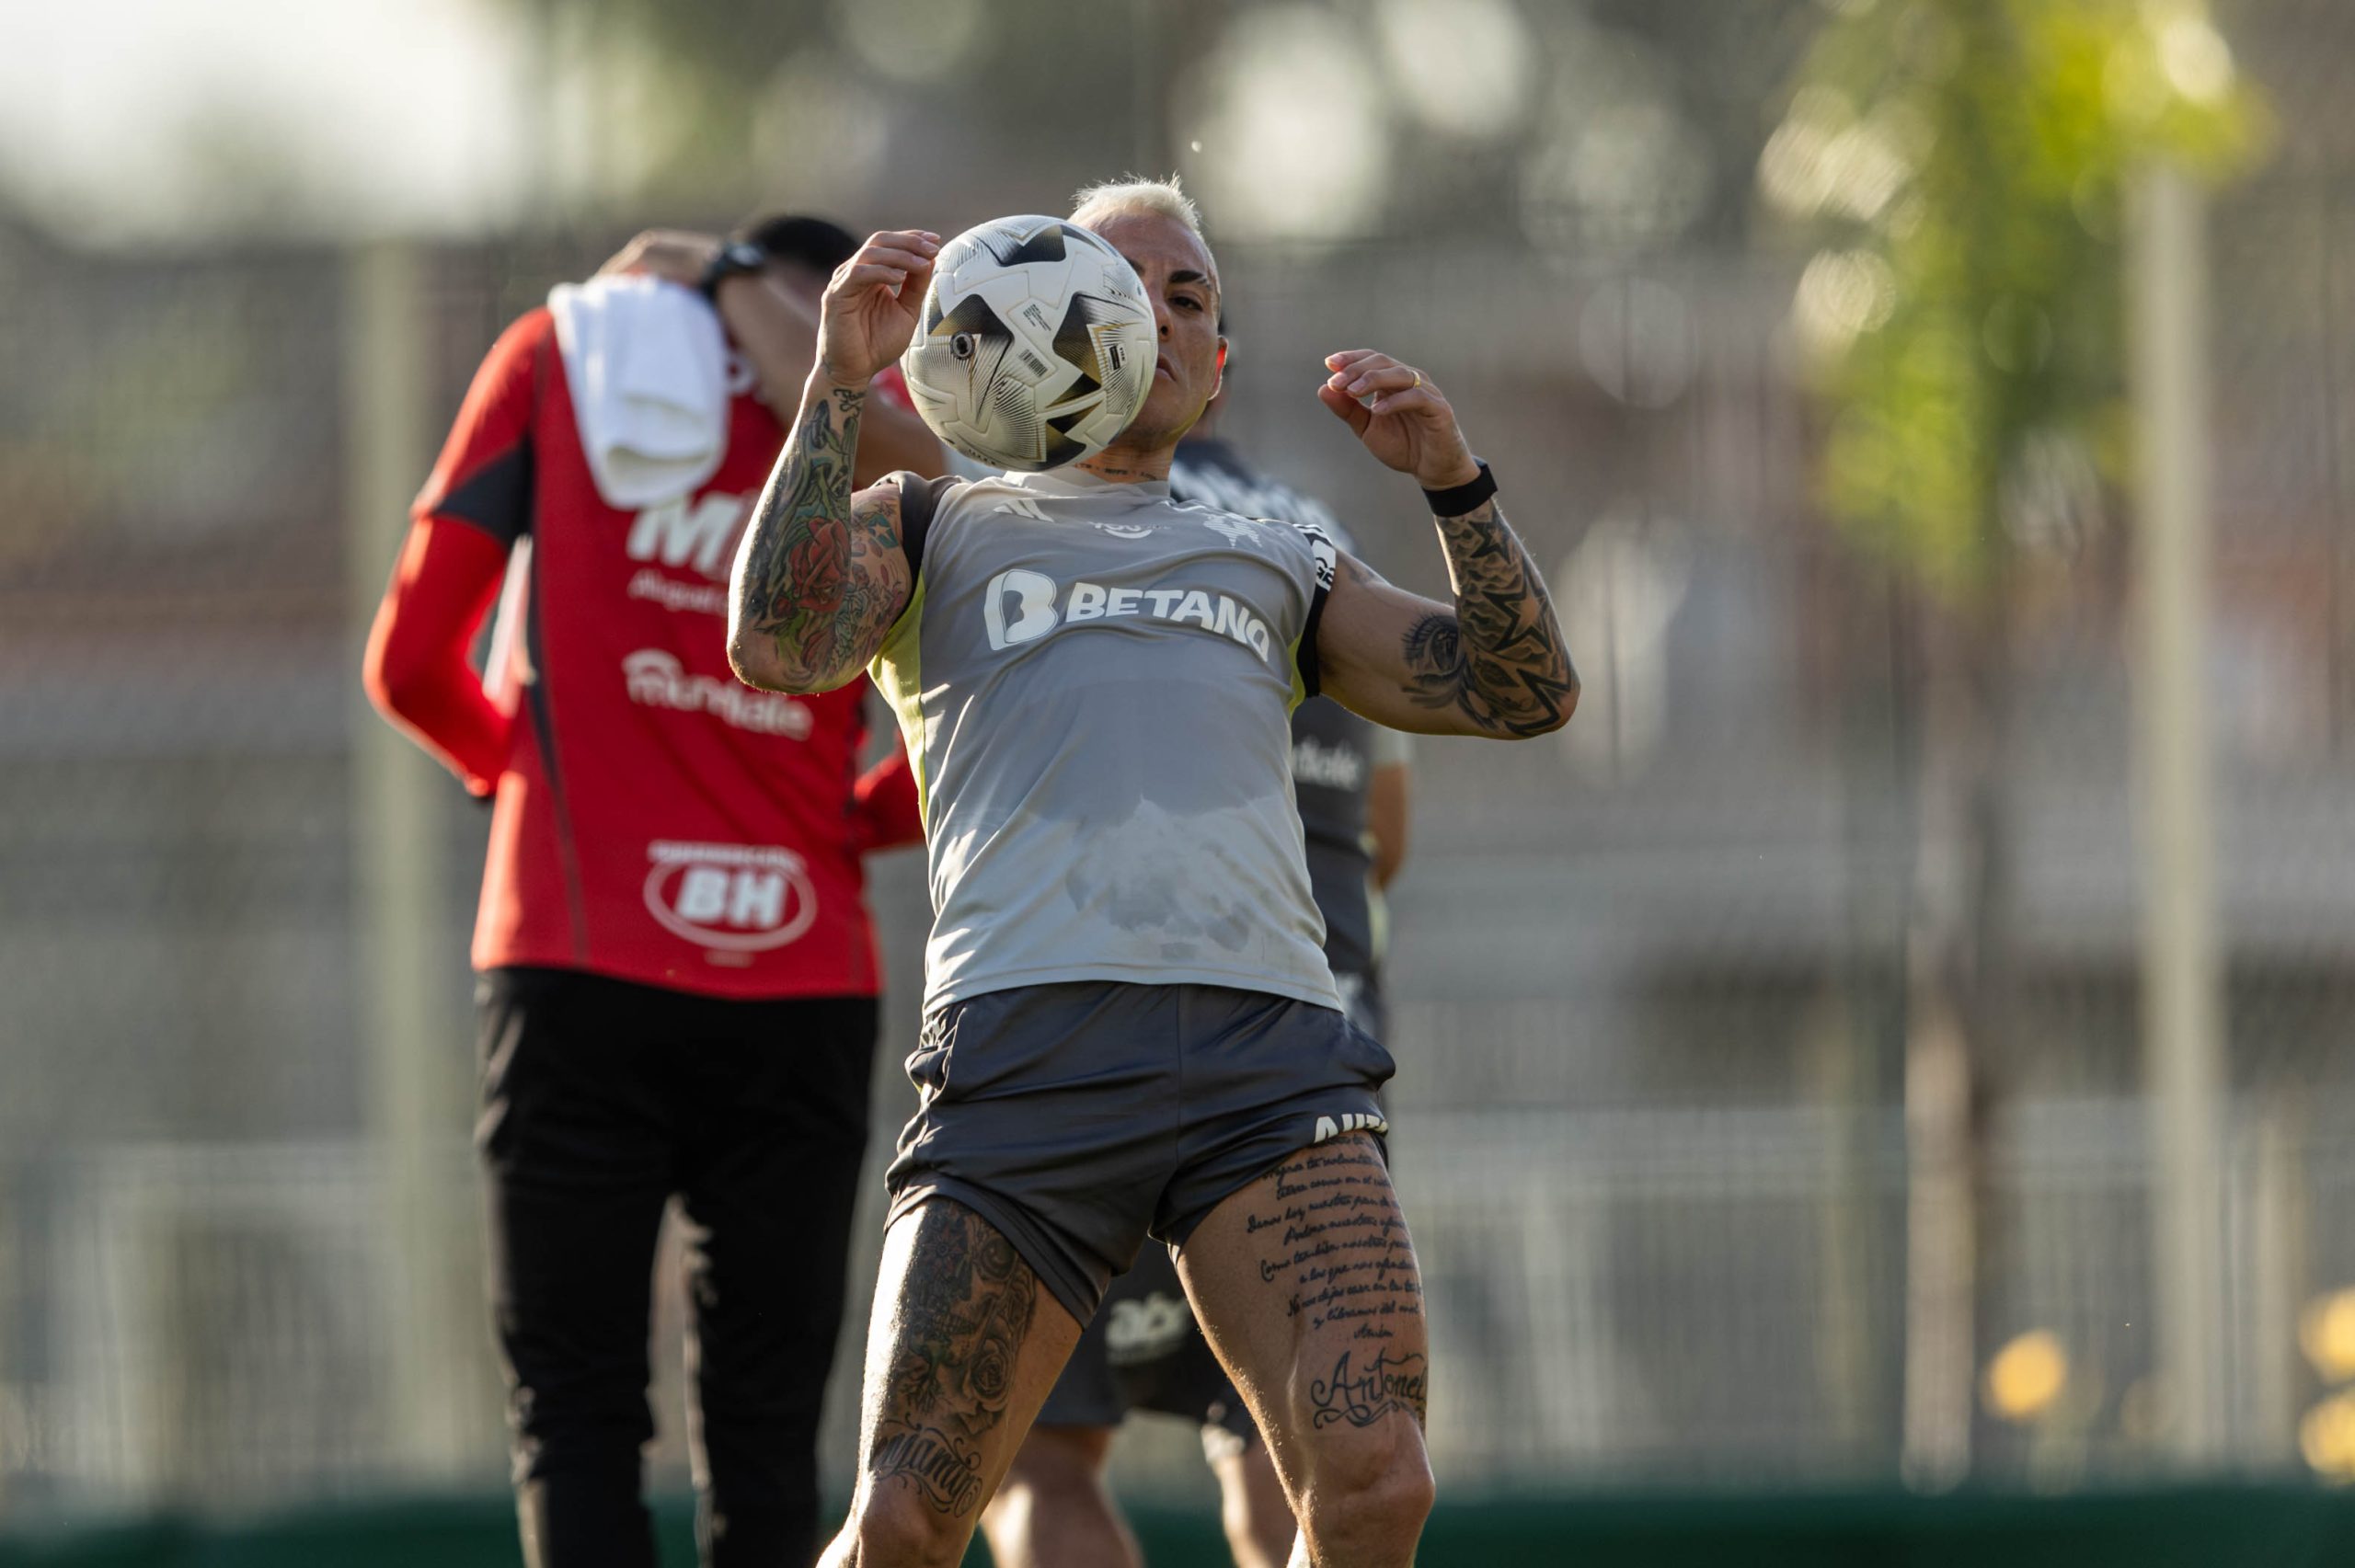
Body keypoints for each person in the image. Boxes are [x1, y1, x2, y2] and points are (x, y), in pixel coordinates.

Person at [726, 177, 1576, 1568]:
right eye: (1123, 284)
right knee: (903, 1523)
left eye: (1193, 299)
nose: (1159, 318)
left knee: (1378, 1484)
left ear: (1219, 365)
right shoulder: (937, 525)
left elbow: (1524, 690)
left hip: (1270, 1065)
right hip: (1026, 1058)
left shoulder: (1281, 549)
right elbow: (776, 640)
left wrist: (1451, 480)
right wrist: (834, 376)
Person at [362, 214, 938, 1568]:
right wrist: (830, 826)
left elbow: (410, 661)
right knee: (768, 1431)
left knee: (574, 1413)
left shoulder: (558, 354)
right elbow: (972, 723)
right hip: (804, 981)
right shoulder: (899, 430)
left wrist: (524, 775)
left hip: (573, 958)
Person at [979, 372, 1415, 1568]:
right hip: (1302, 1064)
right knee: (1301, 1460)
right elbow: (1384, 829)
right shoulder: (1312, 538)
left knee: (1044, 1462)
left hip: (1071, 1060)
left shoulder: (1011, 523)